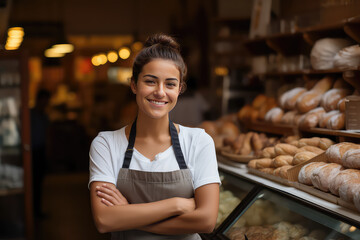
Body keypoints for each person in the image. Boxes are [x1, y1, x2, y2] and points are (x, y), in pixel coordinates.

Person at [89, 33, 221, 239]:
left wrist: (128, 214)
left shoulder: (198, 141)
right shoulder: (106, 144)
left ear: (179, 89)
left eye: (170, 84)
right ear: (134, 85)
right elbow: (105, 220)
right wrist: (176, 204)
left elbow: (206, 221)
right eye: (150, 81)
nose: (160, 92)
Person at [30, 89, 51, 218]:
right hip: (31, 152)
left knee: (38, 183)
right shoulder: (30, 115)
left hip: (40, 151)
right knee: (32, 182)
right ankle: (32, 211)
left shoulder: (44, 117)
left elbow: (47, 135)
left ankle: (36, 211)